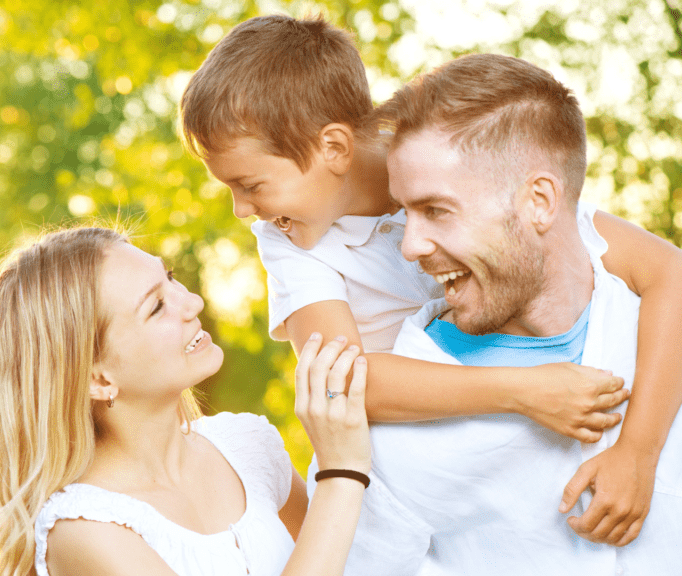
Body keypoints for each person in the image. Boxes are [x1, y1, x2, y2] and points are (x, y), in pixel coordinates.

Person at [178, 14, 682, 543]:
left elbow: (664, 268)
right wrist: (523, 391)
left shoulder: (437, 156)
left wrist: (638, 453)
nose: (240, 209)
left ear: (332, 148)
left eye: (251, 184)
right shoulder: (287, 240)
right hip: (433, 452)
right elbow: (341, 383)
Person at [344, 53, 682, 574]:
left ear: (540, 201)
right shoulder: (393, 446)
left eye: (436, 210)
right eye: (404, 212)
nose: (409, 246)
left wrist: (640, 450)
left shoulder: (657, 329)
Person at [0, 226, 372, 576]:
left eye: (171, 278)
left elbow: (345, 562)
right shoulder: (85, 531)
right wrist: (341, 474)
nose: (192, 303)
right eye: (157, 306)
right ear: (97, 377)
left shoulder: (249, 447)